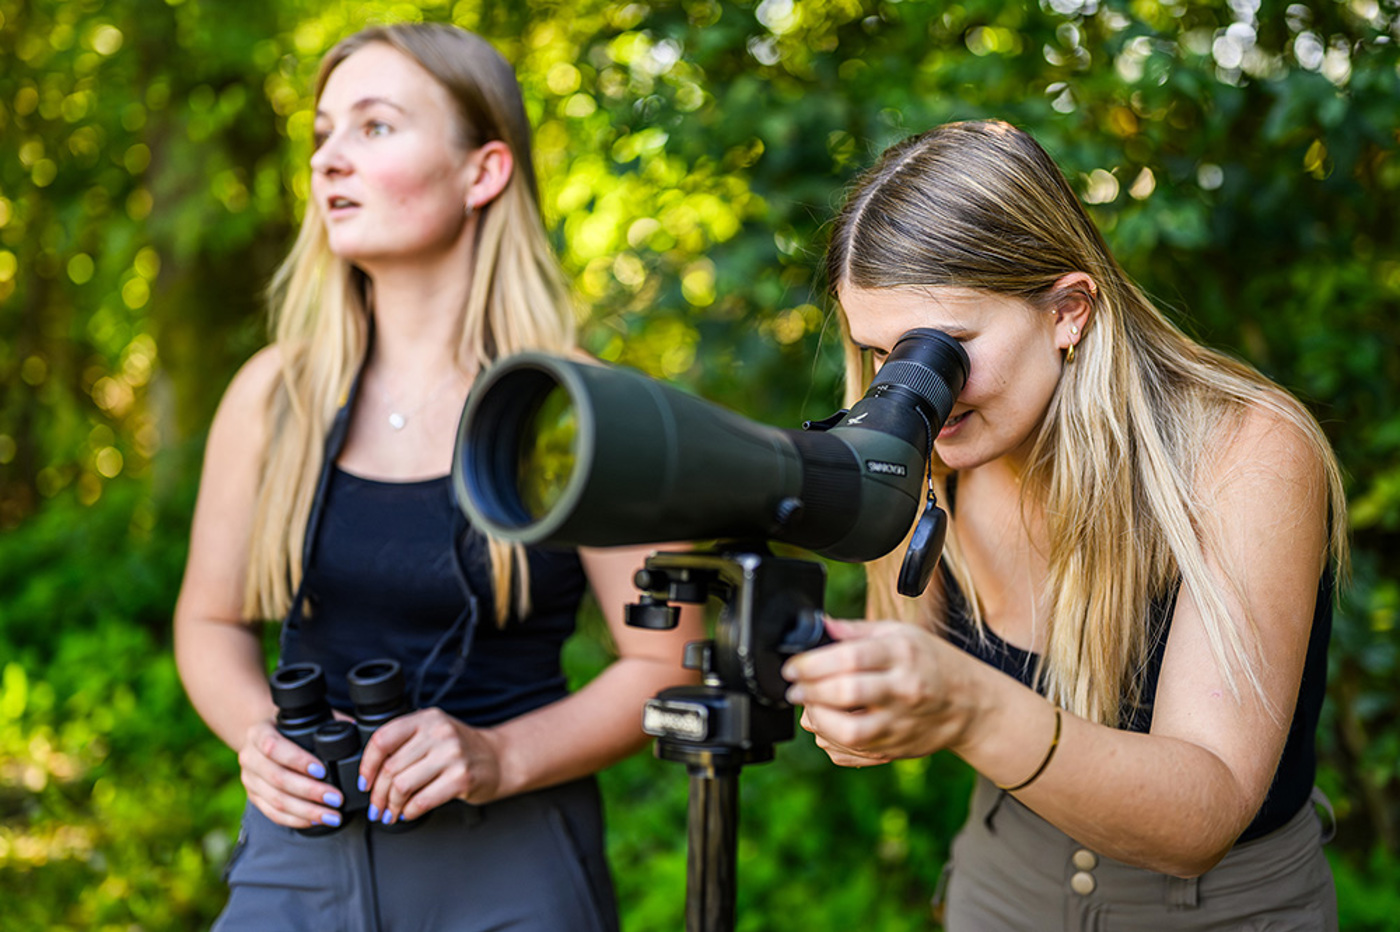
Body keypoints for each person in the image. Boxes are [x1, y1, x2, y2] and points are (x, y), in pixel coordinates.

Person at [173, 23, 701, 932]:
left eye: (375, 126)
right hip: (300, 854)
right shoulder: (274, 396)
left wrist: (496, 755)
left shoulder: (578, 413)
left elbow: (668, 665)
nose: (329, 159)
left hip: (513, 863)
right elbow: (210, 620)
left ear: (482, 171)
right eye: (323, 134)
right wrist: (260, 736)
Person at [782, 120, 1347, 930]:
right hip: (1001, 882)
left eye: (942, 349)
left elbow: (1204, 818)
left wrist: (967, 706)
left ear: (1069, 311)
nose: (913, 389)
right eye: (879, 353)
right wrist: (867, 700)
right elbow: (906, 667)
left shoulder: (1245, 452)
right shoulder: (926, 447)